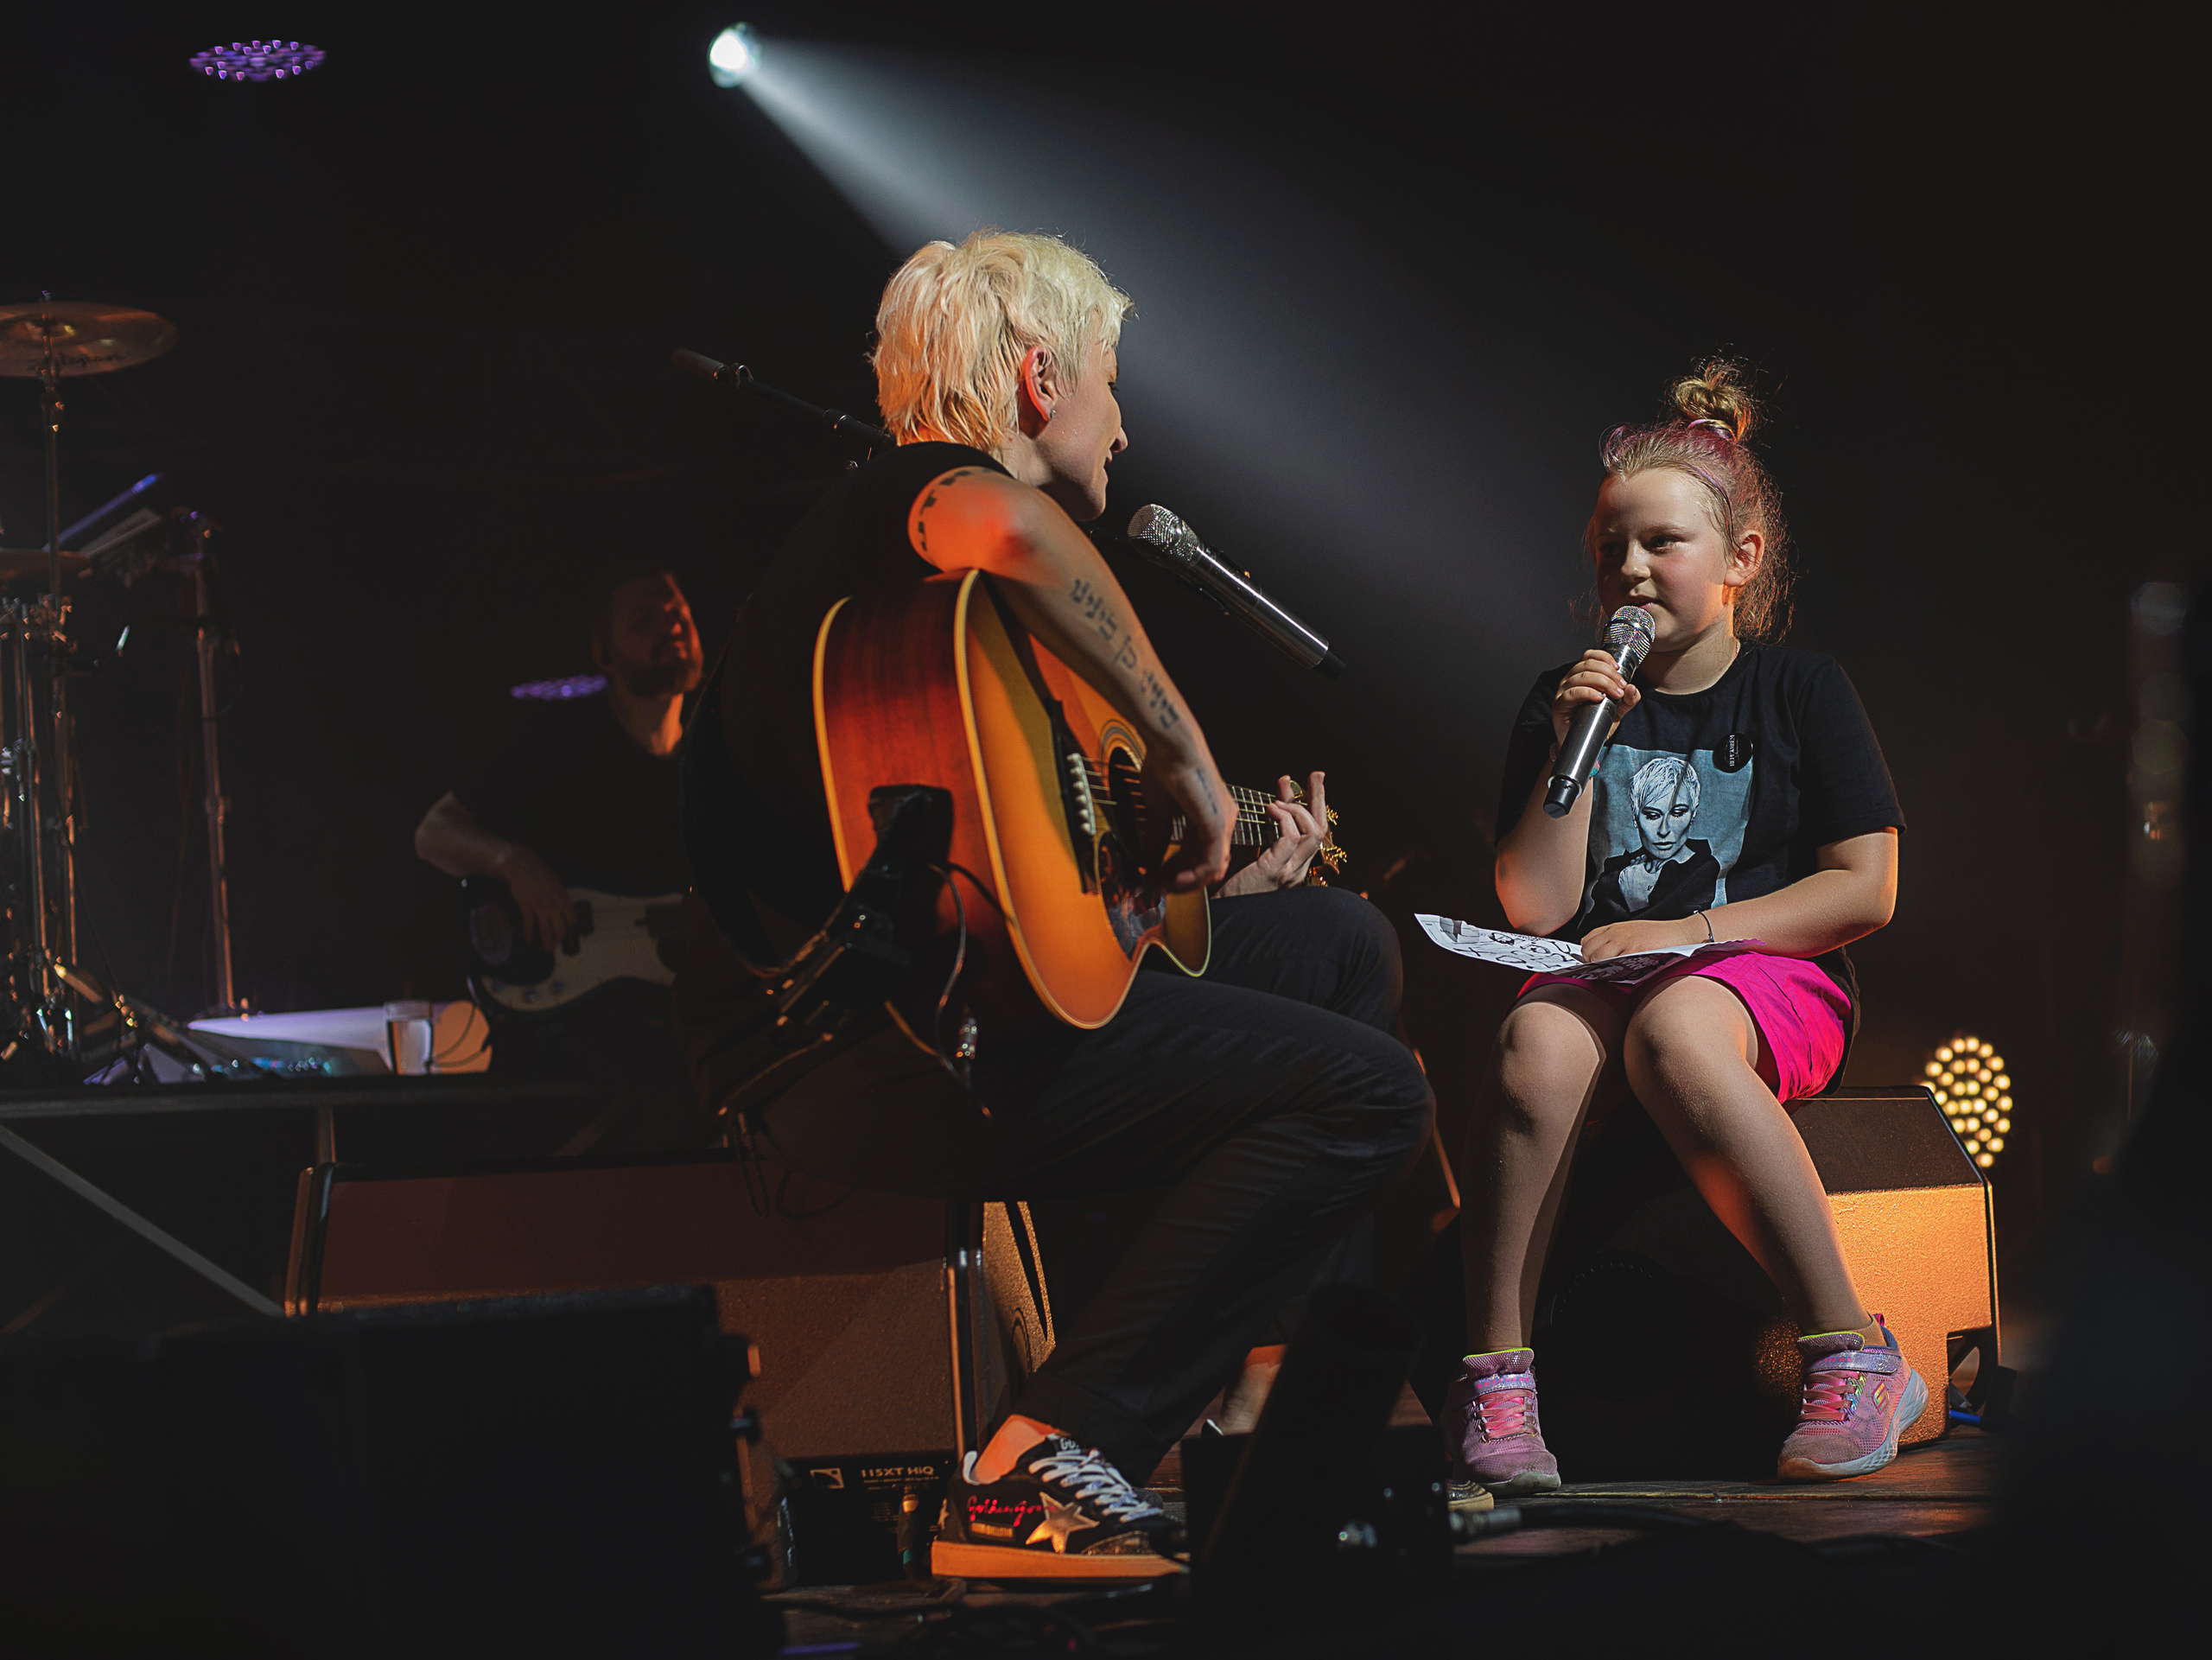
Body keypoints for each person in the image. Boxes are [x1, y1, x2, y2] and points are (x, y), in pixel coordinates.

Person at [680, 230, 1432, 1575]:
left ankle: (1256, 1401)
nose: (1123, 425)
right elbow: (1013, 524)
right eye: (1108, 382)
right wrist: (1193, 761)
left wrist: (1185, 874)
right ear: (1040, 379)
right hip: (872, 1049)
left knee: (1338, 942)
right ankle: (1034, 1464)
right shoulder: (911, 500)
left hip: (945, 1007)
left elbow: (1016, 875)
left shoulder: (949, 618)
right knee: (1375, 1093)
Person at [1449, 363, 1912, 1501]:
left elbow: (1867, 887)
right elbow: (1534, 908)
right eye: (1610, 549)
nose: (1631, 570)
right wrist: (1579, 753)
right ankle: (1500, 1381)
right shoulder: (1569, 700)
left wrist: (1695, 930)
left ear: (1742, 560)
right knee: (1532, 1048)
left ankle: (1852, 1351)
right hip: (1602, 969)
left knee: (1678, 1029)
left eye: (1662, 543)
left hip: (1757, 976)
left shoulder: (1802, 691)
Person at [415, 563, 709, 1151]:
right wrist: (512, 861)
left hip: (676, 1008)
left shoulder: (715, 757)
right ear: (604, 656)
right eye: (644, 619)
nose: (671, 627)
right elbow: (433, 832)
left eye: (678, 613)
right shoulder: (560, 740)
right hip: (569, 1019)